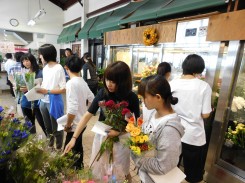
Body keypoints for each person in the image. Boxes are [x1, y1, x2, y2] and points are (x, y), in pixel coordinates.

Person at [64, 61, 140, 181]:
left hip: (121, 140)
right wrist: (74, 138)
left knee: (120, 171)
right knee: (100, 168)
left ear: (123, 82)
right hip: (102, 136)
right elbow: (87, 116)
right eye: (107, 79)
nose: (108, 84)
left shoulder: (132, 98)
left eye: (113, 81)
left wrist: (119, 132)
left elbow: (135, 124)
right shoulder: (103, 93)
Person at [131, 75, 184, 183]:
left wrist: (138, 159)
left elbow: (163, 166)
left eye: (144, 97)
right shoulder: (155, 114)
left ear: (158, 97)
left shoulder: (169, 130)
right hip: (146, 176)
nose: (142, 101)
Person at [170, 54, 212, 183]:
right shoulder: (203, 86)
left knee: (171, 169)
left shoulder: (172, 83)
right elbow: (205, 114)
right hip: (193, 136)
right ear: (198, 70)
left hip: (174, 131)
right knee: (193, 174)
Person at [64, 55, 94, 169]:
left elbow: (72, 109)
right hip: (82, 123)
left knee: (69, 153)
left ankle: (74, 174)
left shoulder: (71, 83)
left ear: (66, 67)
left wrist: (67, 125)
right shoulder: (82, 81)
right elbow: (92, 99)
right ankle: (79, 168)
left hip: (75, 125)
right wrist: (85, 111)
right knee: (78, 147)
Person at [36, 44, 66, 150]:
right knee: (48, 127)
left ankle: (58, 148)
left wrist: (47, 91)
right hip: (43, 101)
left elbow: (64, 89)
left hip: (54, 101)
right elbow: (45, 83)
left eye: (41, 55)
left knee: (57, 127)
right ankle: (50, 146)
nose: (40, 57)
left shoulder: (58, 68)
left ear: (47, 55)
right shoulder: (45, 68)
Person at [19, 53, 46, 135]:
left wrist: (29, 88)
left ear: (32, 60)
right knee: (29, 125)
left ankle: (50, 140)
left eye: (27, 60)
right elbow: (23, 86)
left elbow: (44, 87)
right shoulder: (24, 73)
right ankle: (32, 141)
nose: (25, 63)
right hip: (25, 102)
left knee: (43, 123)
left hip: (37, 103)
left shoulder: (41, 72)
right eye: (23, 61)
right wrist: (19, 88)